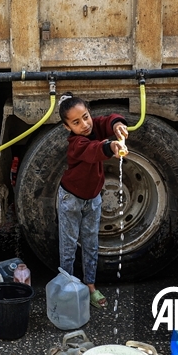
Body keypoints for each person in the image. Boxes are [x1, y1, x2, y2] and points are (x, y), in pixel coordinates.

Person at [56, 93, 128, 308]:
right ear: (67, 127)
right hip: (71, 199)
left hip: (93, 198)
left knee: (91, 244)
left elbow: (109, 119)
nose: (84, 124)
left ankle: (90, 286)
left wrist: (117, 126)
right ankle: (65, 288)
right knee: (68, 247)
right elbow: (93, 150)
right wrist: (111, 147)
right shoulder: (75, 143)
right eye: (76, 122)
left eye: (85, 117)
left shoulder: (93, 126)